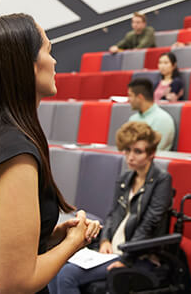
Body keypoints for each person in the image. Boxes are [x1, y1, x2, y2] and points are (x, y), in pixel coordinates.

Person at [0, 14, 101, 293]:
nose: (55, 61)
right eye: (48, 50)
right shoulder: (14, 153)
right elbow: (14, 285)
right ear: (28, 66)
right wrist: (75, 242)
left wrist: (49, 238)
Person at [49, 122, 172, 294]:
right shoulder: (125, 178)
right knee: (55, 269)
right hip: (109, 251)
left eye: (138, 151)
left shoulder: (161, 180)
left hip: (137, 255)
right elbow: (113, 215)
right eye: (127, 150)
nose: (130, 157)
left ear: (151, 154)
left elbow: (150, 223)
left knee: (66, 275)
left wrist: (126, 257)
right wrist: (105, 240)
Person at [126, 78, 176, 151]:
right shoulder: (132, 119)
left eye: (130, 96)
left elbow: (156, 150)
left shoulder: (163, 119)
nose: (128, 99)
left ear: (140, 97)